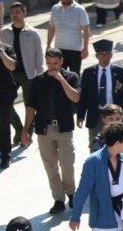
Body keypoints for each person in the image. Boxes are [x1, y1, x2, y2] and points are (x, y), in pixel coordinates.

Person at [22, 48, 81, 213]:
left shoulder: (71, 77)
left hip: (64, 129)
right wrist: (26, 129)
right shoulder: (38, 81)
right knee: (51, 166)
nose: (52, 67)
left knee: (67, 164)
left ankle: (71, 193)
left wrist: (61, 79)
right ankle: (58, 199)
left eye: (55, 63)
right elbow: (30, 107)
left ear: (62, 61)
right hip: (44, 129)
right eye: (49, 63)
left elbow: (75, 97)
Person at [0, 3, 43, 146]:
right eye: (12, 12)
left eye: (18, 12)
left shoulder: (32, 33)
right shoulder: (4, 32)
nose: (14, 14)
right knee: (5, 103)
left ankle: (27, 133)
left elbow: (39, 57)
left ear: (24, 13)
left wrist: (40, 76)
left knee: (29, 106)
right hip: (9, 74)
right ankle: (19, 129)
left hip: (28, 74)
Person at [76, 39, 123, 142]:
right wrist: (80, 115)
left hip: (115, 115)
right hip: (96, 114)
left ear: (111, 55)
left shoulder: (120, 72)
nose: (104, 57)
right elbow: (84, 95)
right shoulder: (89, 73)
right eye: (101, 54)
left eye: (107, 54)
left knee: (116, 143)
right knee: (95, 144)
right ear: (96, 56)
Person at [48, 0, 91, 73]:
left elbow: (86, 30)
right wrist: (48, 45)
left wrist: (85, 48)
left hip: (75, 50)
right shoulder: (55, 9)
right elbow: (52, 28)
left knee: (74, 75)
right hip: (59, 49)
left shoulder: (80, 10)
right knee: (58, 75)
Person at [0, 30, 16, 168]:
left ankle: (5, 156)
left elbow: (12, 66)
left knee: (4, 125)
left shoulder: (6, 48)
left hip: (3, 94)